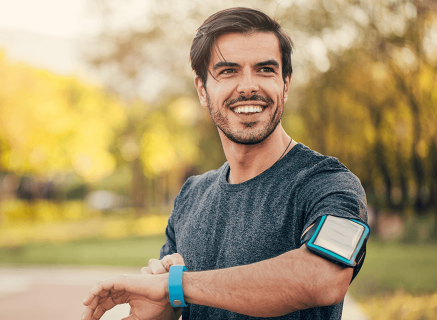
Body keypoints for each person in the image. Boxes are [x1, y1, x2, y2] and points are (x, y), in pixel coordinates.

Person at [82, 7, 368, 320]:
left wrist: (176, 285)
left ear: (286, 83)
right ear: (202, 90)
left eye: (265, 70)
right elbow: (175, 298)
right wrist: (162, 310)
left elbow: (322, 278)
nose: (248, 86)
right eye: (228, 71)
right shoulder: (192, 195)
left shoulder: (329, 184)